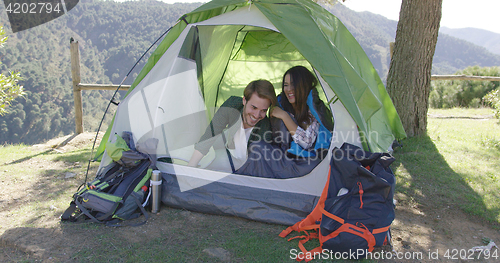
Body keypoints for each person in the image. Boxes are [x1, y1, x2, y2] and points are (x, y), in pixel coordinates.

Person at [235, 66, 333, 178]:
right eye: (286, 85)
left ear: (304, 86)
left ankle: (237, 179)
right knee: (257, 148)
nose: (289, 89)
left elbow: (306, 142)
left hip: (306, 163)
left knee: (258, 152)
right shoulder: (283, 105)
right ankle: (238, 179)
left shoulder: (313, 111)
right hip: (284, 159)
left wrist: (284, 116)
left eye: (293, 84)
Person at [188, 79, 277, 172]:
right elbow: (211, 133)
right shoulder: (233, 105)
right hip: (227, 142)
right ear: (244, 101)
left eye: (263, 110)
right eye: (254, 107)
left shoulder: (265, 129)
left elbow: (256, 166)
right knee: (194, 149)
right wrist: (190, 168)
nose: (257, 115)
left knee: (214, 164)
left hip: (240, 162)